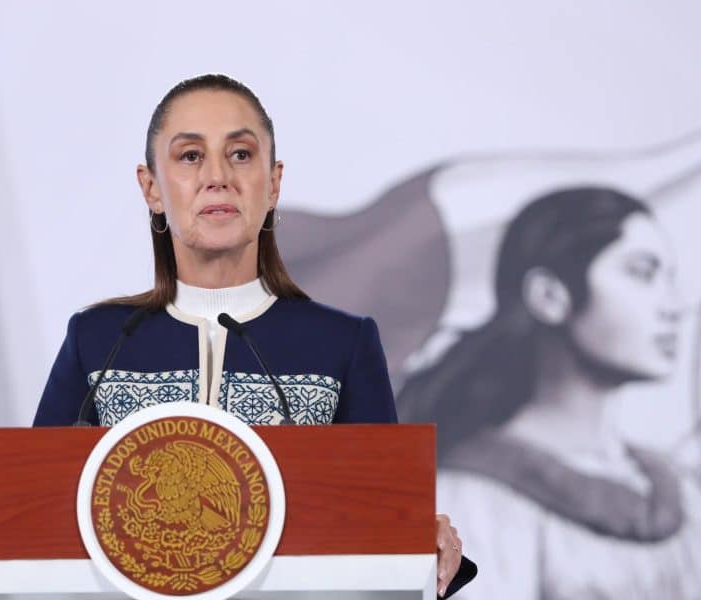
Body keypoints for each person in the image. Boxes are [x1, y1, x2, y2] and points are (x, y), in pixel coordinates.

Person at [32, 73, 464, 596]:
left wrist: (421, 536)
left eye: (240, 154)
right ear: (151, 188)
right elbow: (32, 516)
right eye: (190, 156)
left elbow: (383, 522)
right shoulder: (97, 341)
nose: (218, 177)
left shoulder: (342, 344)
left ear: (274, 182)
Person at [399, 187, 701, 598]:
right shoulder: (469, 501)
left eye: (670, 279)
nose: (674, 306)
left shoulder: (680, 491)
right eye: (642, 273)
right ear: (550, 296)